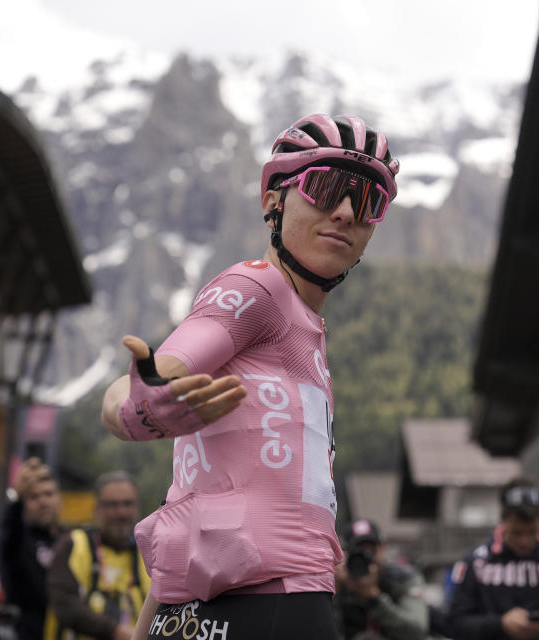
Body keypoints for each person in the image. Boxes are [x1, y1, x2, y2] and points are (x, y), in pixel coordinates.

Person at [101, 113, 400, 639]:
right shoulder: (259, 290)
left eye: (369, 199)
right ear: (273, 203)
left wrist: (152, 622)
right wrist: (142, 405)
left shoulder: (305, 328)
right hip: (277, 606)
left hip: (197, 612)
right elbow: (142, 384)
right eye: (326, 187)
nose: (348, 211)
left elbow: (198, 490)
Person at [446, 478, 539, 639]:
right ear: (502, 520)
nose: (524, 541)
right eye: (516, 532)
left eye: (533, 532)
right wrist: (501, 624)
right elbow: (454, 624)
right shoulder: (476, 562)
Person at [46, 471, 150, 640]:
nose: (121, 513)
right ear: (96, 508)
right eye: (112, 505)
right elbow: (64, 604)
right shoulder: (73, 545)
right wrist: (116, 632)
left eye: (128, 504)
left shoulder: (148, 552)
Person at [333, 518, 430, 640]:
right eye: (357, 552)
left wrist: (374, 597)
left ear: (384, 549)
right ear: (343, 555)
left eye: (371, 550)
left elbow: (416, 632)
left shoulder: (402, 578)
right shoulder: (339, 581)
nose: (365, 558)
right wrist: (334, 590)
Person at [0, 456, 63, 640]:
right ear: (23, 503)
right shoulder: (18, 542)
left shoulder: (69, 540)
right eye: (34, 497)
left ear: (58, 498)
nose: (43, 501)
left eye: (48, 494)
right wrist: (16, 497)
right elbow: (10, 531)